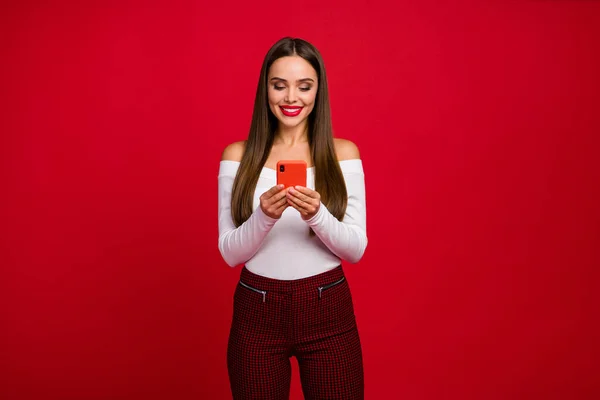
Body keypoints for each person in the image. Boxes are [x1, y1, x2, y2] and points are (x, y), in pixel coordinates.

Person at [217, 36, 367, 399]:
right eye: (278, 85)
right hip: (257, 309)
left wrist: (317, 214)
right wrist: (263, 217)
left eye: (304, 86)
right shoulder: (238, 155)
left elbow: (356, 249)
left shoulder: (342, 153)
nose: (290, 98)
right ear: (265, 89)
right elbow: (229, 253)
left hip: (327, 306)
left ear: (318, 91)